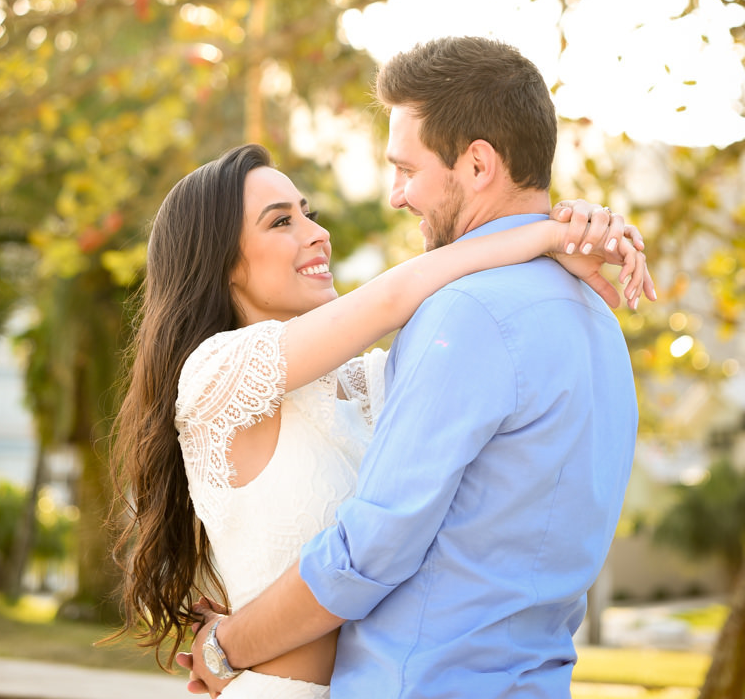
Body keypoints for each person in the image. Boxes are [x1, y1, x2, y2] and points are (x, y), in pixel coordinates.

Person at [181, 37, 650, 699]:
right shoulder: (597, 320)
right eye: (281, 222)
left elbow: (370, 550)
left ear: (479, 164)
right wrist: (554, 231)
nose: (396, 196)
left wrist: (225, 647)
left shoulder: (462, 318)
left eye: (406, 169)